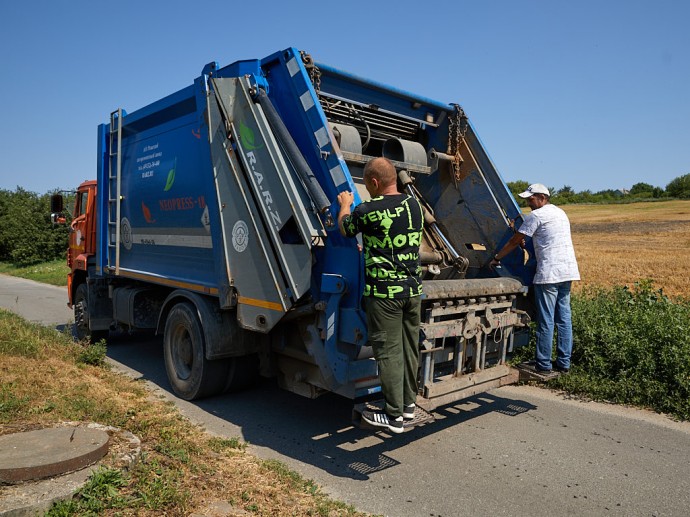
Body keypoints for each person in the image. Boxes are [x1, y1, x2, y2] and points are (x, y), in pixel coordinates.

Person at [336, 157, 424, 434]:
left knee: (388, 352)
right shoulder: (414, 205)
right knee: (410, 348)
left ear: (374, 183)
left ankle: (394, 416)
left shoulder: (367, 209)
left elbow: (346, 229)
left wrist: (345, 205)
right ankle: (409, 405)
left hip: (385, 295)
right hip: (413, 290)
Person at [490, 183, 580, 374]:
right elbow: (546, 240)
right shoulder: (560, 213)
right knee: (564, 319)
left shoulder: (537, 216)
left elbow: (514, 241)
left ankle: (543, 364)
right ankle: (564, 363)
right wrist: (526, 245)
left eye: (530, 199)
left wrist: (497, 258)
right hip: (567, 272)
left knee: (546, 320)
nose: (528, 203)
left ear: (541, 197)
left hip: (549, 274)